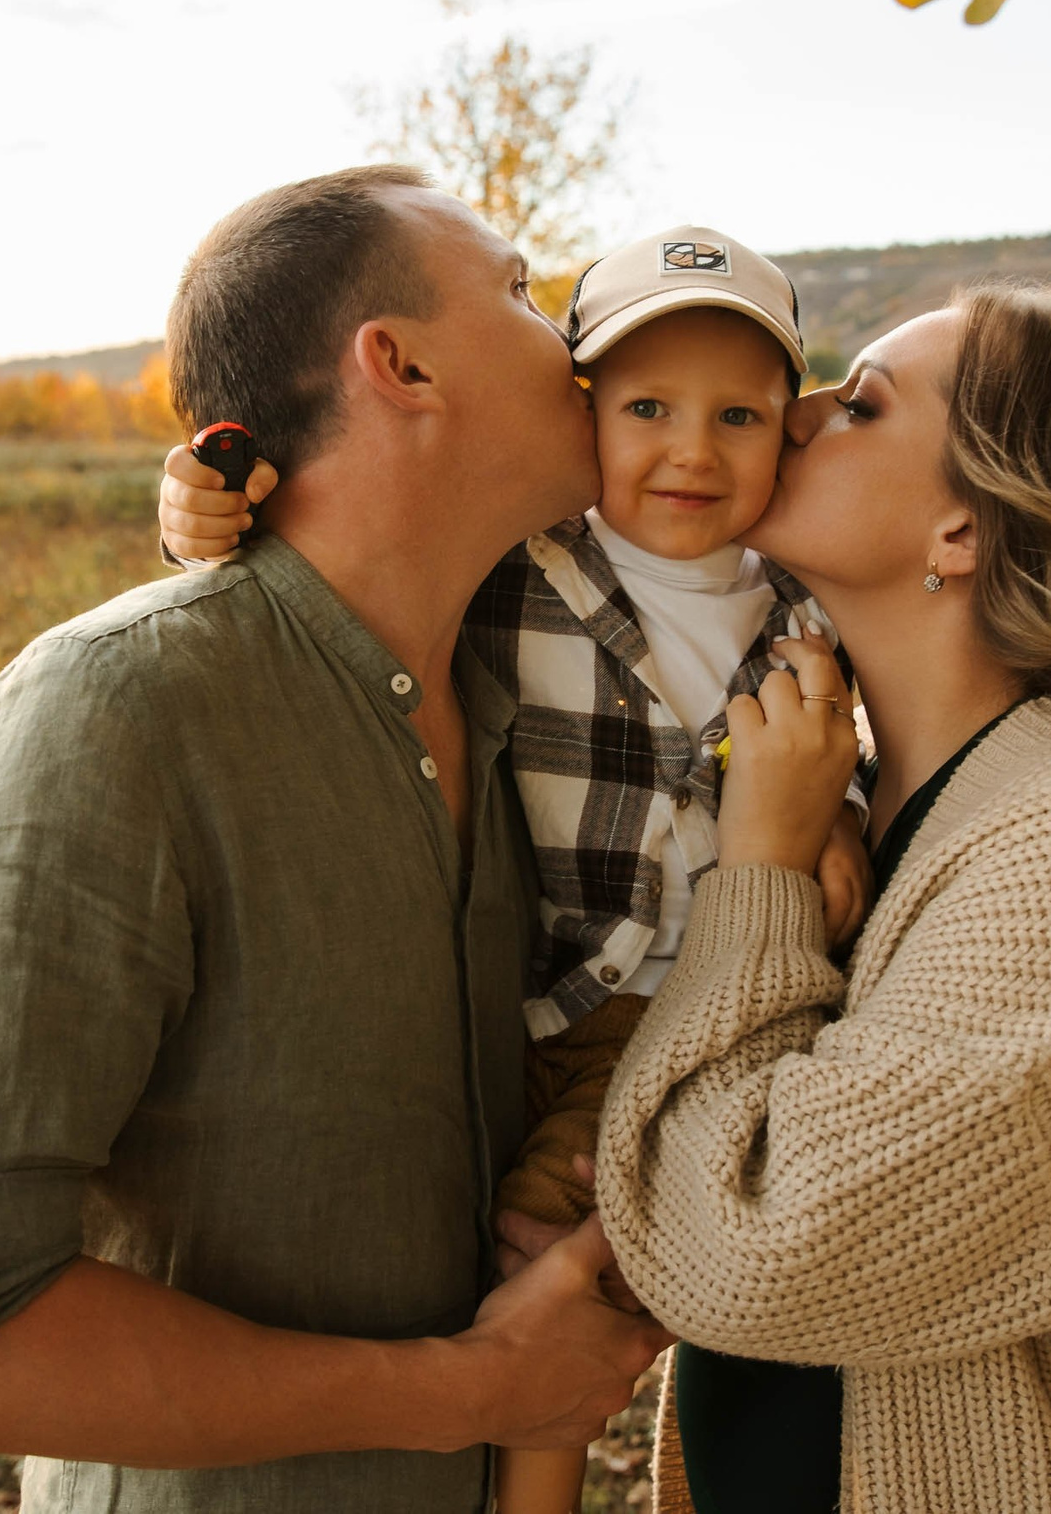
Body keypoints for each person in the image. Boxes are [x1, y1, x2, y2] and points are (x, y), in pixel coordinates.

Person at [0, 164, 671, 1514]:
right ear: (397, 364)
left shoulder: (535, 707)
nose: (568, 340)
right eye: (518, 294)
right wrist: (472, 1385)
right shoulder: (113, 715)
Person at [159, 225, 875, 1514]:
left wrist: (844, 833)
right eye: (646, 407)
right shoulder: (519, 559)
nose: (691, 451)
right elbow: (343, 560)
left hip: (697, 997)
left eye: (739, 416)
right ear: (585, 411)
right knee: (522, 1256)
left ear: (791, 427)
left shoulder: (804, 601)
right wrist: (194, 515)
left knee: (562, 1248)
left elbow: (843, 756)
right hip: (523, 985)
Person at [587, 283, 1051, 1513]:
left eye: (864, 402)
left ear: (962, 532)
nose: (803, 408)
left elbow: (755, 1246)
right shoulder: (862, 806)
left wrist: (763, 873)